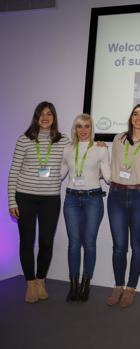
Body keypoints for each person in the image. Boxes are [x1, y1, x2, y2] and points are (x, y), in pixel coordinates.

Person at [7, 101, 70, 303]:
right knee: (27, 241)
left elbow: (77, 155)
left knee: (46, 242)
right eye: (41, 114)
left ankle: (41, 280)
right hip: (24, 197)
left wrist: (99, 144)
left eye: (49, 114)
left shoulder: (63, 140)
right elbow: (14, 171)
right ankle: (30, 283)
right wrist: (11, 201)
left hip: (50, 198)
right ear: (36, 117)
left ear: (54, 117)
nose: (45, 117)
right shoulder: (24, 139)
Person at [106, 104, 140, 308]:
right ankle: (118, 285)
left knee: (137, 245)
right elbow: (111, 166)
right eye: (135, 114)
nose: (138, 118)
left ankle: (131, 287)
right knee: (119, 246)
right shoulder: (118, 139)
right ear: (131, 118)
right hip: (117, 195)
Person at [61, 114, 111, 302]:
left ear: (92, 129)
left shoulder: (100, 149)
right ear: (74, 129)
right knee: (74, 243)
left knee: (89, 243)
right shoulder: (67, 149)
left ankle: (85, 284)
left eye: (87, 126)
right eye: (79, 126)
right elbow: (59, 174)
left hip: (93, 200)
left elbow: (108, 177)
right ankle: (73, 286)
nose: (83, 130)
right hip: (72, 200)